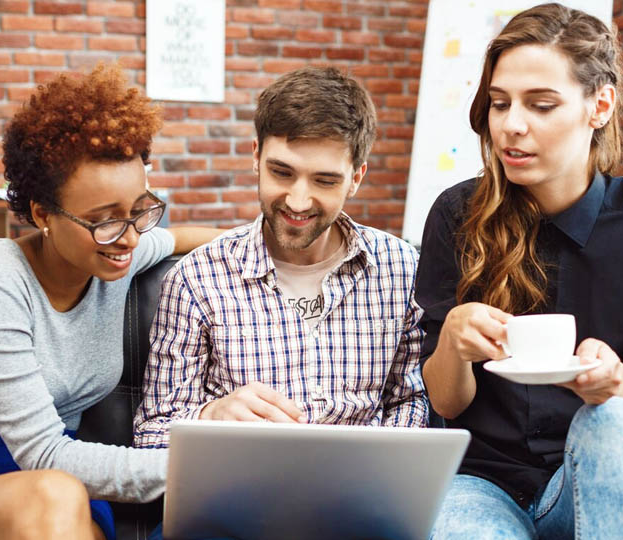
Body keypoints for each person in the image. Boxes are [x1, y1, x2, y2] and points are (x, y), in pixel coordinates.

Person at [415, 4, 623, 539]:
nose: (512, 125)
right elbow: (445, 401)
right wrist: (454, 344)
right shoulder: (455, 215)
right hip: (480, 484)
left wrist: (615, 383)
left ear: (598, 106)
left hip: (597, 475)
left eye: (541, 104)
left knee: (620, 418)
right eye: (499, 102)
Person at [0, 64, 221, 540]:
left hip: (68, 486)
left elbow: (183, 236)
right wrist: (205, 468)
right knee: (55, 495)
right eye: (104, 219)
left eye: (137, 210)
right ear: (42, 213)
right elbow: (42, 454)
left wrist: (274, 241)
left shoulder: (116, 253)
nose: (127, 237)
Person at [133, 66, 428, 450]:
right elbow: (152, 433)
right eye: (282, 172)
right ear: (256, 156)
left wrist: (382, 467)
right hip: (242, 497)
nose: (298, 201)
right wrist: (211, 416)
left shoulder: (403, 270)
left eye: (325, 181)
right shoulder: (195, 280)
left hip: (364, 497)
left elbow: (411, 400)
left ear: (356, 178)